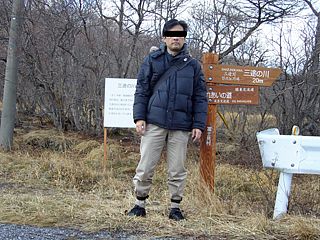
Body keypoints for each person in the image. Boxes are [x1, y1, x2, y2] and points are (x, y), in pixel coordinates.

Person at [128, 19, 208, 221]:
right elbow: (142, 90)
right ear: (164, 37)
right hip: (154, 122)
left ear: (184, 39)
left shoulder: (193, 66)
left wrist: (198, 124)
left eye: (180, 35)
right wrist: (139, 117)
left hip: (181, 126)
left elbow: (200, 97)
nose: (176, 38)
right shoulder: (152, 60)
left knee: (177, 169)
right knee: (145, 166)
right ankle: (139, 204)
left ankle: (175, 207)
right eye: (171, 34)